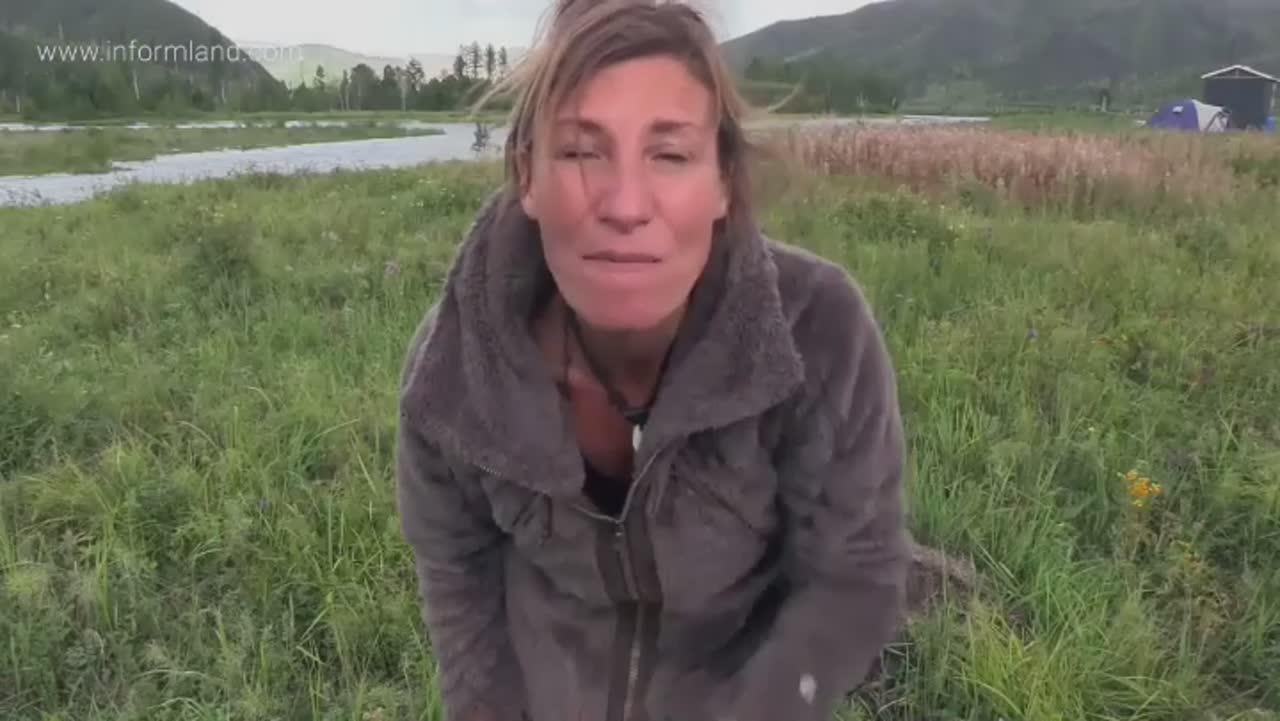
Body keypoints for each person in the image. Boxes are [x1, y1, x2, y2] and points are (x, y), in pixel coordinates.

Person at [394, 1, 912, 720]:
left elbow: (854, 575)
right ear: (526, 174)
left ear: (723, 181)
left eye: (669, 154)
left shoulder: (820, 334)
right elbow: (460, 579)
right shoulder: (452, 377)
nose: (626, 205)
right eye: (582, 151)